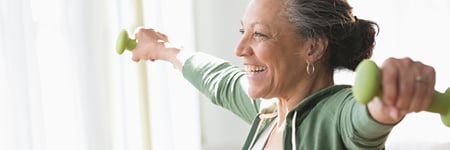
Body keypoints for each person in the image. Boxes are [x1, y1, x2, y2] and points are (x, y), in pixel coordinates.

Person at [130, 0, 436, 149]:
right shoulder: (268, 112)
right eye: (243, 31)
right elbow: (219, 80)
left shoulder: (334, 115)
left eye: (259, 34)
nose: (239, 48)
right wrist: (164, 50)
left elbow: (363, 117)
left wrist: (391, 95)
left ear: (313, 48)